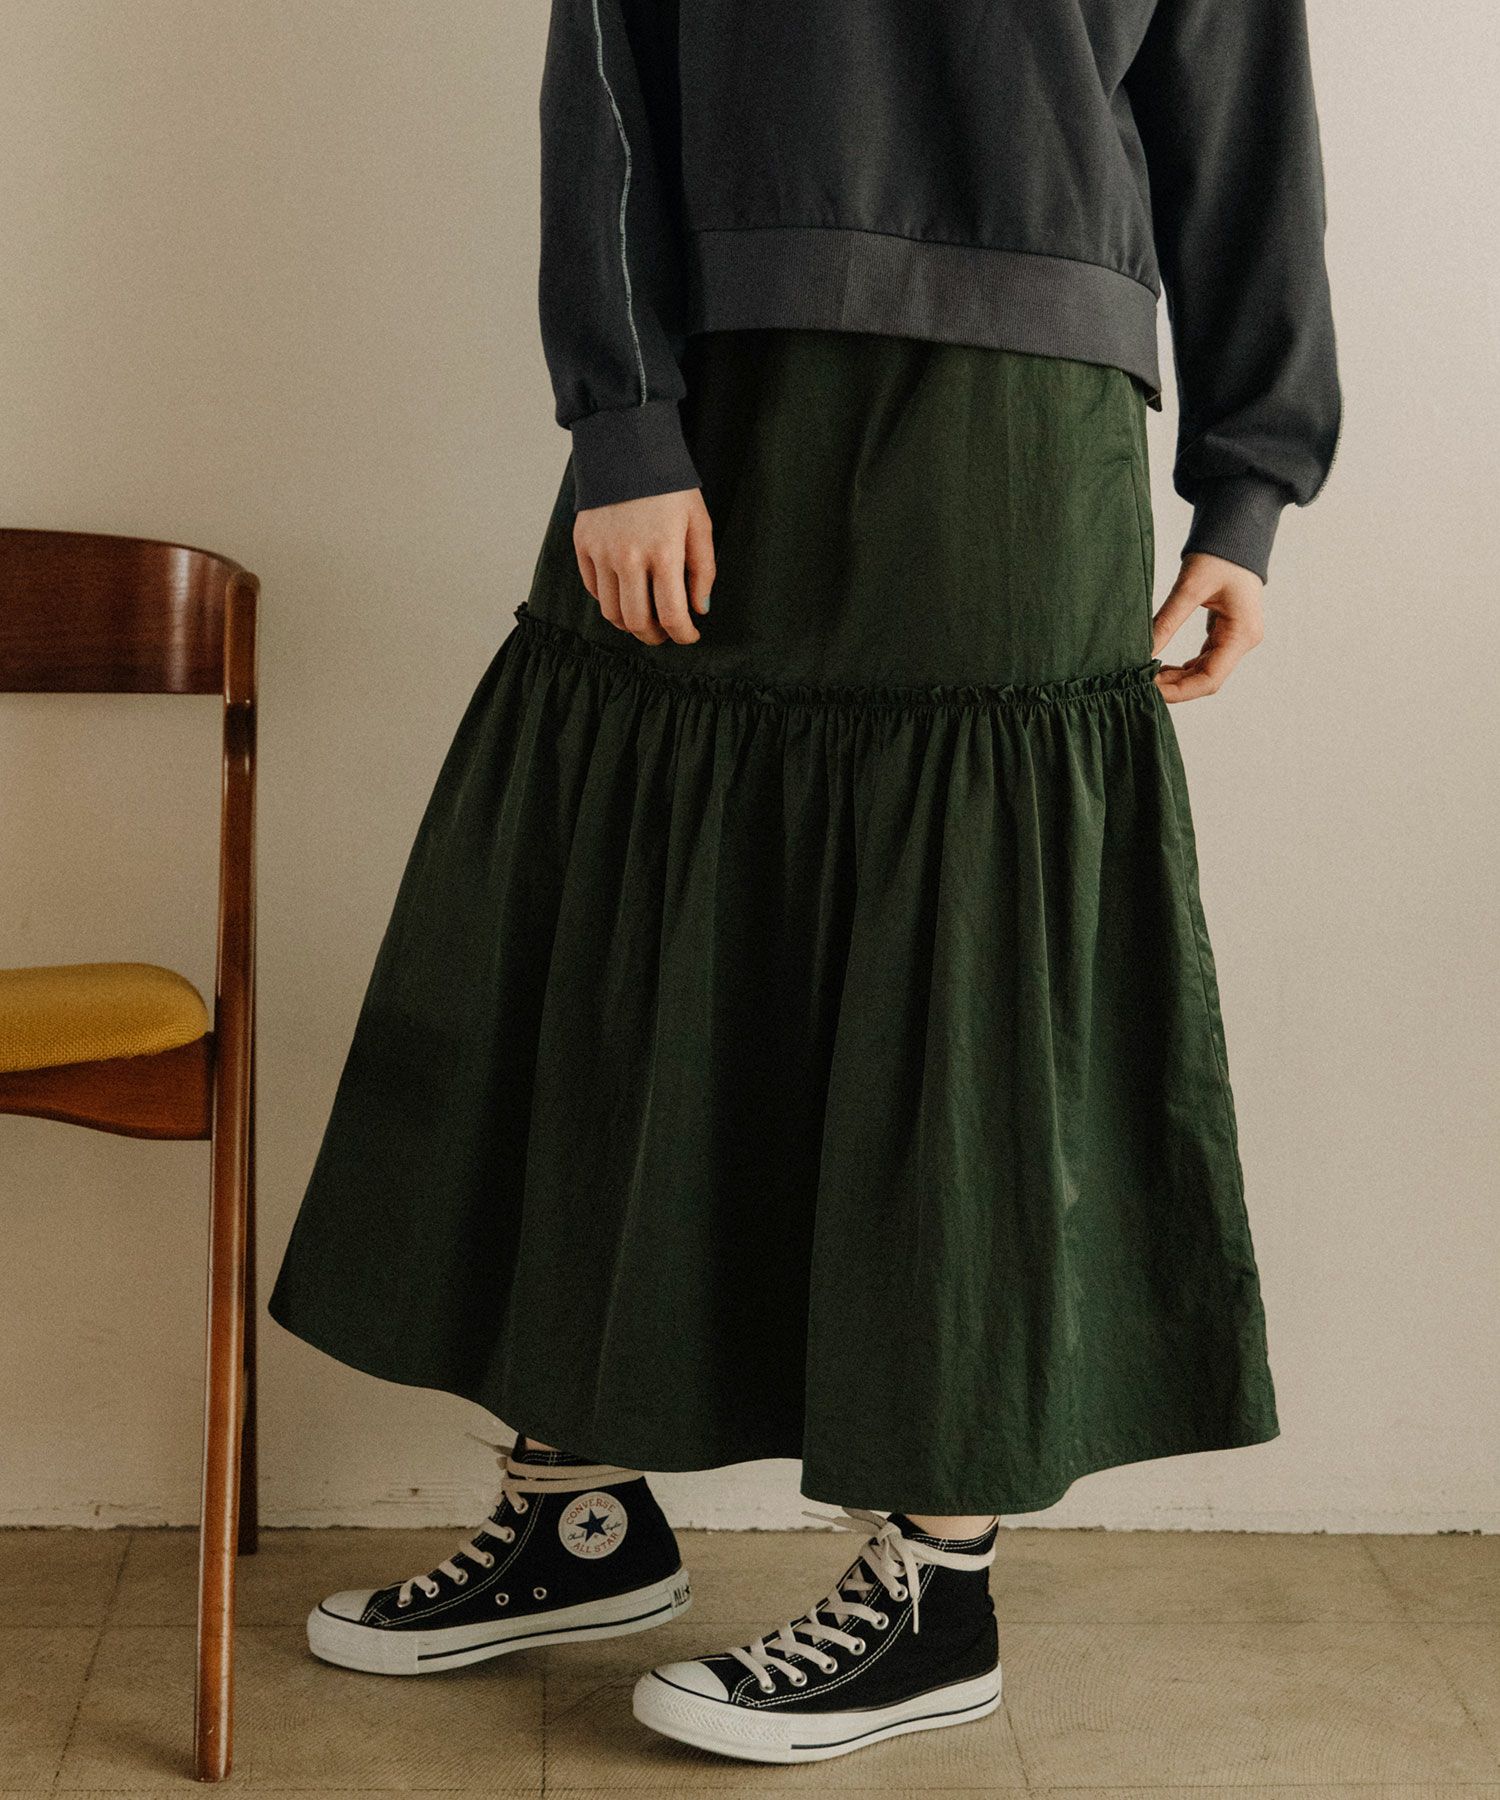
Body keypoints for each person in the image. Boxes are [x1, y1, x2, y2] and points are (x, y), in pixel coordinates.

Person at [268, 0, 1340, 1766]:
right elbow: (608, 67)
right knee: (615, 929)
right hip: (718, 383)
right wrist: (622, 419)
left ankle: (936, 1583)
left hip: (1017, 425)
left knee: (963, 990)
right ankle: (580, 1512)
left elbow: (1244, 126)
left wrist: (1250, 487)